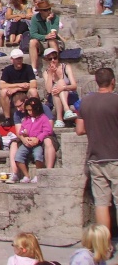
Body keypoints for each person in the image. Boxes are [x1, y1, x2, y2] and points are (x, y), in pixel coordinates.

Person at [76, 67, 118, 230]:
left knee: (101, 202)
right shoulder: (115, 100)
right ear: (112, 81)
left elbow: (79, 129)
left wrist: (95, 126)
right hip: (115, 156)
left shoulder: (85, 102)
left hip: (95, 158)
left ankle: (104, 244)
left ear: (96, 82)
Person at [12, 97, 51, 184]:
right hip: (27, 142)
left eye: (31, 110)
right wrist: (24, 136)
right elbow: (21, 130)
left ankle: (38, 174)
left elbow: (47, 130)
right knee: (18, 157)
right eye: (28, 110)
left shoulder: (43, 118)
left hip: (37, 143)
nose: (29, 112)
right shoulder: (26, 119)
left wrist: (38, 138)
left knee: (38, 156)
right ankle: (26, 175)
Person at [42, 48, 78, 128]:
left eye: (55, 57)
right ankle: (66, 111)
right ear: (46, 60)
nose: (53, 60)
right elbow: (48, 90)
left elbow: (74, 86)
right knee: (56, 88)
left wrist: (63, 88)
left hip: (70, 94)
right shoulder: (46, 73)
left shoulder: (66, 67)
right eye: (50, 59)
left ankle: (60, 118)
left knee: (61, 82)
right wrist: (51, 74)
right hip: (54, 96)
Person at [0, 49, 38, 120]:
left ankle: (35, 115)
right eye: (17, 59)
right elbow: (2, 85)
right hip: (13, 94)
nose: (19, 60)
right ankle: (7, 118)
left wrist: (16, 89)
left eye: (20, 58)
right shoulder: (7, 70)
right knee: (3, 92)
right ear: (12, 59)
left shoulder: (28, 68)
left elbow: (34, 84)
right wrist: (20, 85)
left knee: (34, 91)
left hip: (25, 92)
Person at [28, 0, 60, 74]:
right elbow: (33, 34)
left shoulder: (55, 18)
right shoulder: (35, 18)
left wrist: (48, 21)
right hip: (41, 41)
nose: (48, 11)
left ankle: (56, 65)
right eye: (46, 10)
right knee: (32, 42)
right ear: (40, 11)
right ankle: (34, 69)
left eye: (49, 9)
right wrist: (45, 37)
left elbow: (53, 34)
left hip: (53, 41)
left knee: (52, 41)